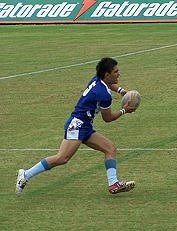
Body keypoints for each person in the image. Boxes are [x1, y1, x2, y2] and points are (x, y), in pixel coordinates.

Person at [16, 57, 137, 195]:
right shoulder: (103, 94)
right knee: (62, 158)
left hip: (85, 126)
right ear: (107, 75)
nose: (119, 73)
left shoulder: (97, 80)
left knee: (110, 149)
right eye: (116, 71)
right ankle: (26, 174)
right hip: (77, 125)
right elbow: (108, 118)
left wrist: (122, 92)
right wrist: (124, 111)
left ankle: (113, 184)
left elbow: (111, 85)